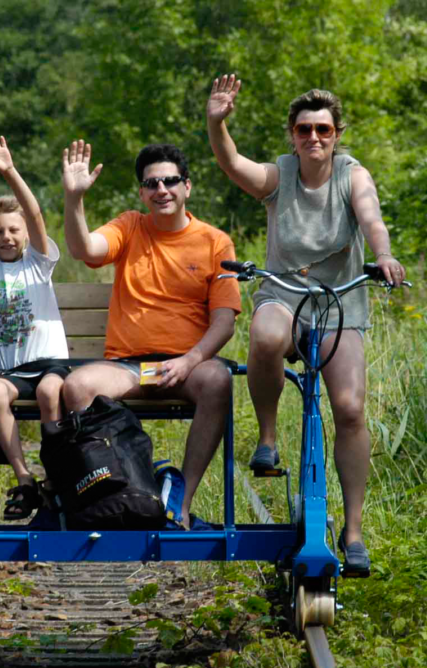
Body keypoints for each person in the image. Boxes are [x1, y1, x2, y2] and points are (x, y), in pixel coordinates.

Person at [206, 74, 406, 573]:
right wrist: (217, 122)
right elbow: (233, 165)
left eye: (322, 129)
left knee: (350, 407)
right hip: (285, 293)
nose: (313, 138)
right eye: (303, 130)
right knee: (266, 334)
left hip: (339, 299)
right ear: (291, 135)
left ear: (337, 133)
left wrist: (382, 255)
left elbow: (371, 217)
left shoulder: (352, 175)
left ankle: (353, 531)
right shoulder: (281, 176)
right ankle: (268, 439)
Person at [60, 139, 241, 528]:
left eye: (171, 181)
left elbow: (224, 321)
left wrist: (189, 360)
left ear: (187, 187)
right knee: (76, 387)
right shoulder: (129, 226)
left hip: (186, 367)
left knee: (219, 381)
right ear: (142, 192)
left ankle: (181, 502)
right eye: (152, 184)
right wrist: (74, 199)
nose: (162, 190)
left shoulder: (215, 242)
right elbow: (85, 249)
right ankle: (110, 493)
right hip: (130, 368)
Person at [0, 113, 70, 519]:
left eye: (13, 230)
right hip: (10, 372)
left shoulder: (39, 262)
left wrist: (10, 171)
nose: (6, 237)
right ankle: (25, 480)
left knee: (48, 393)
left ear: (24, 234)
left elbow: (36, 212)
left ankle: (56, 477)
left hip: (49, 366)